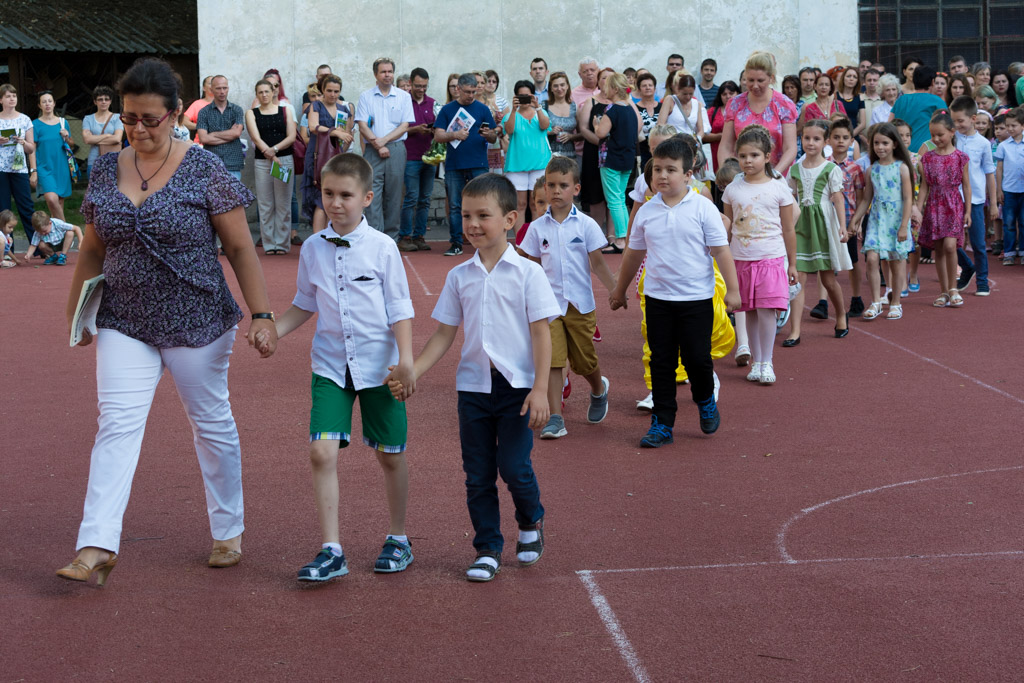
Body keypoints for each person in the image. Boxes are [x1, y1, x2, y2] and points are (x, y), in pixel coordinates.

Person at [56, 57, 276, 586]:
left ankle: (228, 530)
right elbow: (93, 249)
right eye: (129, 117)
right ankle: (96, 545)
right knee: (116, 425)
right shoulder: (105, 168)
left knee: (211, 424)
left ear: (175, 114)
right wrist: (76, 314)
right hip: (124, 319)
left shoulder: (204, 169)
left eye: (150, 119)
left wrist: (262, 314)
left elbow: (239, 247)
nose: (137, 129)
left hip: (197, 318)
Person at [389, 173, 559, 583]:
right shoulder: (459, 276)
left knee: (514, 467)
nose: (473, 224)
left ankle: (531, 518)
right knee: (478, 473)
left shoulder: (528, 274)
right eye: (466, 215)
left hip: (517, 388)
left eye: (483, 215)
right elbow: (444, 334)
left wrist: (540, 390)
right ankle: (487, 547)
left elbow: (542, 333)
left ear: (510, 219)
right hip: (473, 388)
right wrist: (413, 370)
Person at [257, 153, 415, 582]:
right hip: (330, 366)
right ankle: (332, 549)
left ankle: (399, 538)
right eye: (329, 194)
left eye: (346, 195)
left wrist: (406, 362)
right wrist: (275, 331)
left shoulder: (383, 248)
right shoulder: (312, 248)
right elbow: (304, 303)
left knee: (390, 455)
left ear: (367, 198)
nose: (336, 203)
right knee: (321, 451)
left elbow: (400, 308)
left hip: (380, 368)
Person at [610, 137, 740, 447]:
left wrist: (733, 291)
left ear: (688, 174)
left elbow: (721, 251)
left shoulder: (703, 208)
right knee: (661, 362)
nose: (663, 175)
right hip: (658, 300)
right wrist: (619, 290)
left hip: (696, 299)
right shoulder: (646, 212)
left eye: (671, 169)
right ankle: (662, 422)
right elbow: (633, 255)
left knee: (697, 359)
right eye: (657, 169)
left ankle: (705, 400)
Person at [519, 156, 615, 438]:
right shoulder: (536, 228)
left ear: (576, 188)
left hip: (580, 305)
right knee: (552, 360)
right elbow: (530, 266)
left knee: (584, 361)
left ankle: (598, 389)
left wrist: (616, 290)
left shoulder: (586, 225)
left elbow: (598, 264)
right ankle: (555, 418)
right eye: (551, 185)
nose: (556, 191)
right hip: (548, 307)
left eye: (563, 185)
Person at [721, 125, 796, 385]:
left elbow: (788, 228)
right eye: (742, 156)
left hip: (770, 258)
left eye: (754, 155)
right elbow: (727, 227)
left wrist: (792, 263)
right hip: (741, 259)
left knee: (766, 310)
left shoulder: (779, 188)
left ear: (766, 157)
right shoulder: (732, 189)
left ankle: (767, 361)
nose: (748, 161)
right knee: (749, 311)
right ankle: (756, 361)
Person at [785, 119, 851, 345]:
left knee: (828, 279)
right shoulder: (795, 169)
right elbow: (789, 199)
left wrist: (842, 225)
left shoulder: (831, 169)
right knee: (798, 279)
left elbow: (837, 198)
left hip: (822, 224)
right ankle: (795, 330)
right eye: (806, 138)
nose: (811, 143)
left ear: (826, 142)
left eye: (816, 139)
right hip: (801, 225)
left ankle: (841, 314)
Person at [849, 123, 915, 320]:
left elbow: (908, 199)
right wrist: (855, 220)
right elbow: (866, 199)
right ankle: (876, 301)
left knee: (897, 261)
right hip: (877, 219)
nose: (880, 147)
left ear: (894, 144)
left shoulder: (902, 168)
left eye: (885, 143)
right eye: (876, 143)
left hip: (896, 220)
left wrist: (904, 225)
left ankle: (896, 302)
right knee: (871, 259)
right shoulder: (872, 170)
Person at [433, 73, 500, 256]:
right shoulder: (447, 109)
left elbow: (493, 136)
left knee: (484, 203)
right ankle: (456, 243)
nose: (471, 95)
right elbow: (438, 135)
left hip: (479, 163)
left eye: (473, 91)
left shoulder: (482, 109)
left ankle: (486, 242)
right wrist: (454, 135)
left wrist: (489, 134)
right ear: (458, 89)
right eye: (467, 92)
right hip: (455, 164)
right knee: (455, 205)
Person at [356, 57, 415, 240]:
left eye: (390, 71)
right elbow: (362, 125)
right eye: (383, 72)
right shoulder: (366, 96)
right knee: (372, 195)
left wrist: (384, 141)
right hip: (372, 150)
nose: (387, 75)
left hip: (396, 149)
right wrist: (377, 144)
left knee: (394, 196)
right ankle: (374, 237)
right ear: (376, 74)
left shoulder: (404, 97)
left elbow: (405, 125)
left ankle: (391, 239)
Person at [916, 110, 971, 306]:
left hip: (953, 204)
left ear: (952, 132)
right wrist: (917, 209)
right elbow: (924, 186)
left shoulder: (961, 157)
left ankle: (953, 288)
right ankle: (944, 291)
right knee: (938, 249)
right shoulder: (927, 158)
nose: (936, 139)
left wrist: (968, 211)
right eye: (933, 135)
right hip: (934, 205)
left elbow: (966, 185)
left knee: (950, 246)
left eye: (940, 134)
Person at [719, 52, 799, 176]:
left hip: (776, 174)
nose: (755, 86)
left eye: (760, 80)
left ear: (771, 78)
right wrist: (727, 173)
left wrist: (774, 174)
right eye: (750, 80)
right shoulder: (735, 104)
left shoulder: (784, 104)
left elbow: (790, 148)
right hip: (742, 175)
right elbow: (726, 145)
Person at [947, 97, 996, 295]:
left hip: (975, 200)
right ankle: (967, 267)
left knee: (978, 243)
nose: (957, 125)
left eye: (960, 121)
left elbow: (989, 173)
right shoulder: (952, 138)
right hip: (952, 198)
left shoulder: (983, 144)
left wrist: (993, 203)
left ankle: (982, 281)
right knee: (949, 240)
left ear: (973, 118)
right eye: (954, 121)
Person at [245, 78, 296, 255]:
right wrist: (270, 155)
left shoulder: (286, 110)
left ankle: (281, 244)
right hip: (262, 162)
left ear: (274, 92)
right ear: (256, 94)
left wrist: (274, 150)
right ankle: (269, 244)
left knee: (283, 203)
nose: (264, 95)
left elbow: (291, 136)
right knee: (265, 204)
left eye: (267, 91)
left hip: (284, 161)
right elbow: (255, 137)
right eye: (260, 92)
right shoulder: (251, 113)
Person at [303, 74, 355, 233]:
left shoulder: (344, 109)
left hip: (335, 157)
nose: (333, 94)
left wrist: (343, 144)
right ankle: (318, 239)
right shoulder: (316, 105)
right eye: (329, 91)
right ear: (323, 90)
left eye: (336, 91)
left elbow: (346, 136)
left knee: (333, 199)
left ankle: (330, 238)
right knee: (320, 200)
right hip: (317, 156)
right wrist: (335, 132)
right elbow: (313, 127)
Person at [594, 73, 640, 252]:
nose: (604, 89)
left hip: (611, 159)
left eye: (607, 86)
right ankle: (627, 237)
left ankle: (621, 239)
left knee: (614, 200)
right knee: (620, 198)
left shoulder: (612, 110)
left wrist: (596, 124)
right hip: (626, 160)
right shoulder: (630, 109)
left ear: (614, 89)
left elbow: (600, 133)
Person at [826, 117, 867, 317]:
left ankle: (856, 298)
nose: (840, 141)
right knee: (826, 261)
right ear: (828, 140)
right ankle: (823, 302)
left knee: (853, 260)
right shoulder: (824, 165)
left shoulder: (855, 168)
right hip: (827, 220)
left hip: (848, 220)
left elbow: (860, 198)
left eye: (844, 138)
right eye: (836, 137)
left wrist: (857, 223)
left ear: (852, 141)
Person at [502, 81, 551, 233]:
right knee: (519, 205)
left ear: (533, 95)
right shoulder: (510, 115)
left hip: (540, 164)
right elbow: (509, 130)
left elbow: (545, 126)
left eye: (528, 95)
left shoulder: (541, 112)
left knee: (536, 204)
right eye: (521, 96)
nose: (525, 99)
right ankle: (520, 241)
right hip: (516, 165)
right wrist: (513, 109)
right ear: (516, 96)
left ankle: (537, 239)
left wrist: (538, 107)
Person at [398, 68, 436, 252]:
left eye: (424, 86)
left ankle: (419, 236)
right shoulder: (403, 102)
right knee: (411, 197)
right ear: (410, 83)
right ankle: (405, 236)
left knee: (425, 199)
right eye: (418, 86)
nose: (421, 89)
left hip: (429, 158)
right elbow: (398, 129)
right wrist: (415, 129)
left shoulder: (433, 103)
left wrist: (434, 129)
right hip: (410, 157)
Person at [0, 84, 37, 247]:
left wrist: (23, 142)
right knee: (3, 209)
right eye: (8, 96)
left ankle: (37, 247)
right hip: (1, 169)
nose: (12, 99)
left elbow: (31, 148)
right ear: (1, 100)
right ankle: (7, 249)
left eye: (14, 96)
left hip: (19, 168)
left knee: (26, 206)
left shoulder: (25, 119)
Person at [578, 68, 614, 233]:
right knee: (595, 194)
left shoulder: (622, 102)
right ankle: (596, 235)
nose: (607, 81)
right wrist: (601, 143)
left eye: (611, 78)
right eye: (604, 78)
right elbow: (584, 128)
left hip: (615, 154)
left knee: (613, 195)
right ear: (598, 82)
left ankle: (613, 236)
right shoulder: (591, 101)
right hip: (594, 153)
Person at [32, 91, 74, 221]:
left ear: (54, 103)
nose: (47, 104)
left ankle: (57, 232)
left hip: (61, 167)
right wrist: (34, 171)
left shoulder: (63, 122)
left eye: (50, 101)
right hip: (44, 167)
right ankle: (68, 229)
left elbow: (72, 144)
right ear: (39, 105)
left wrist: (67, 137)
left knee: (59, 203)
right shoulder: (35, 124)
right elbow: (32, 149)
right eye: (44, 102)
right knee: (51, 199)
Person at [889, 65, 947, 155]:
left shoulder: (901, 100)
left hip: (901, 152)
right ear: (932, 82)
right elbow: (946, 126)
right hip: (926, 154)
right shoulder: (937, 102)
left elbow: (889, 125)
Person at [196, 76, 245, 179]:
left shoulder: (237, 110)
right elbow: (203, 138)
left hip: (233, 162)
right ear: (211, 90)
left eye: (224, 88)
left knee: (234, 190)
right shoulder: (203, 112)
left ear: (228, 88)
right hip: (212, 163)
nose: (222, 92)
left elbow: (236, 133)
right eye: (218, 88)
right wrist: (230, 135)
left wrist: (213, 134)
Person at [994, 107, 1024, 265]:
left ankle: (1023, 251)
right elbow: (999, 169)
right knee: (1009, 222)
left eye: (1014, 125)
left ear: (1022, 126)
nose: (1010, 129)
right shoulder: (1003, 146)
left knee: (1023, 222)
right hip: (1009, 190)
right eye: (1008, 126)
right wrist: (999, 189)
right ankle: (1009, 252)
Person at [81, 86, 124, 178]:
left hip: (113, 160)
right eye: (100, 99)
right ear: (95, 102)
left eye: (106, 99)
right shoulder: (88, 119)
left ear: (110, 101)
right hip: (94, 161)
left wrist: (94, 139)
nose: (103, 102)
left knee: (113, 187)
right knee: (94, 187)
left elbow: (117, 138)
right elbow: (87, 140)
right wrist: (107, 135)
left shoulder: (117, 118)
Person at [543, 71, 578, 159]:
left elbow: (582, 133)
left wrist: (571, 136)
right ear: (551, 88)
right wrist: (550, 132)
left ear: (567, 86)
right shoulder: (543, 106)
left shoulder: (574, 106)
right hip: (549, 155)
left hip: (570, 156)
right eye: (555, 86)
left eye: (562, 85)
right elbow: (535, 131)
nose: (559, 88)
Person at [635, 72, 661, 171]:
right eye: (644, 86)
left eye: (650, 85)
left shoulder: (662, 106)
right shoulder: (634, 108)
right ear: (639, 89)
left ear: (654, 88)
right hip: (642, 149)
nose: (648, 88)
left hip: (660, 148)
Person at [836, 67, 865, 138]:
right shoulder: (835, 96)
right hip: (837, 134)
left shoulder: (860, 97)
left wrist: (850, 136)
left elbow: (863, 124)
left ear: (857, 81)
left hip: (853, 135)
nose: (851, 79)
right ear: (843, 78)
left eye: (855, 77)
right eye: (849, 76)